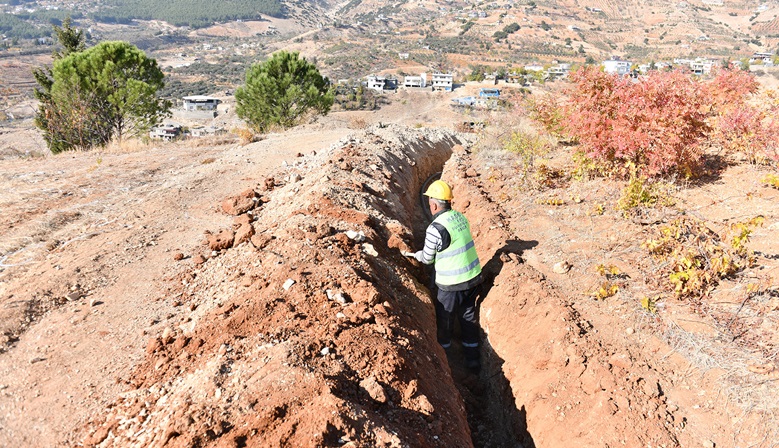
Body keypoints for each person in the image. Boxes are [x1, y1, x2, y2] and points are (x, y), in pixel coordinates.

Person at [402, 180, 483, 372]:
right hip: (473, 279)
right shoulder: (460, 217)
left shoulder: (435, 229)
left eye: (430, 202)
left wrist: (415, 255)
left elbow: (428, 259)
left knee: (445, 321)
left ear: (434, 204)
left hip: (451, 284)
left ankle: (446, 363)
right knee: (468, 317)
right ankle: (473, 361)